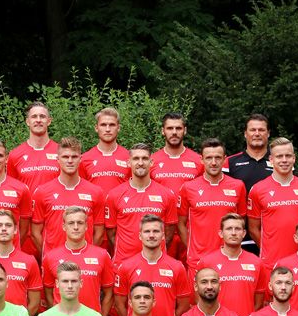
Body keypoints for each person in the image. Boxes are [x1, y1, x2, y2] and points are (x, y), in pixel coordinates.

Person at [247, 137, 298, 272]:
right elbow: (253, 229)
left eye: (288, 156)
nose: (284, 160)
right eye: (279, 156)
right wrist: (269, 250)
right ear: (271, 160)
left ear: (294, 158)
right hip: (271, 263)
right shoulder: (258, 189)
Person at [178, 138, 247, 274]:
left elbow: (241, 221)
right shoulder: (188, 188)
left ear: (224, 159)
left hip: (229, 258)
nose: (213, 162)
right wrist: (192, 249)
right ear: (201, 160)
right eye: (209, 158)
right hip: (198, 260)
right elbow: (181, 224)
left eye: (218, 157)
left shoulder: (238, 186)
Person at [105, 143, 179, 265]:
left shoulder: (166, 195)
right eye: (136, 159)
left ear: (151, 162)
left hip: (156, 263)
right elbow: (111, 233)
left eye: (144, 158)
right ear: (128, 163)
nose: (140, 163)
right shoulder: (114, 195)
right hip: (123, 263)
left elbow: (169, 231)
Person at [31, 136, 105, 255]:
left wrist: (87, 254)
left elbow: (99, 233)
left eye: (74, 157)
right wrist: (49, 257)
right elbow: (35, 233)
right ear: (57, 159)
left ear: (80, 159)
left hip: (84, 262)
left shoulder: (95, 192)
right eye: (65, 157)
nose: (70, 161)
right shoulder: (42, 192)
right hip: (54, 263)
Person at [114, 214, 192, 316]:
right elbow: (119, 305)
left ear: (163, 235)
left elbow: (184, 305)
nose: (151, 235)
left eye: (156, 231)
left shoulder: (177, 267)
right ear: (140, 236)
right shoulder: (126, 267)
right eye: (147, 231)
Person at [42, 206, 115, 314]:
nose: (76, 227)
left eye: (80, 223)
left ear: (86, 226)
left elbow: (109, 293)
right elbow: (48, 293)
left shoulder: (102, 255)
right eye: (71, 223)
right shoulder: (50, 257)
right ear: (64, 226)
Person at [197, 214, 265, 316]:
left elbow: (258, 302)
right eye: (229, 229)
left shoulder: (257, 262)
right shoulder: (206, 262)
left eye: (237, 229)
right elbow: (199, 299)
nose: (233, 233)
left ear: (244, 234)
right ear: (221, 233)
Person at [151, 113, 202, 259]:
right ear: (163, 131)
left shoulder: (198, 161)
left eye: (178, 128)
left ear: (185, 130)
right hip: (161, 231)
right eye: (170, 128)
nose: (174, 132)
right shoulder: (151, 161)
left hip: (190, 232)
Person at [224, 114, 274, 254]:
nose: (257, 134)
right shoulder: (231, 162)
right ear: (245, 134)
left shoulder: (279, 162)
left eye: (261, 130)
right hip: (238, 235)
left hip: (272, 235)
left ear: (268, 133)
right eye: (253, 130)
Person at [7, 101, 59, 191]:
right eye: (34, 116)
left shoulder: (61, 152)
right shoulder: (14, 155)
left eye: (42, 116)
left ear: (49, 121)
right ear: (27, 121)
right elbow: (11, 188)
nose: (38, 120)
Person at [80, 107, 130, 192]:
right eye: (103, 125)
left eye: (112, 125)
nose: (107, 129)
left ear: (118, 128)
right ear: (96, 128)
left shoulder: (130, 157)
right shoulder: (84, 159)